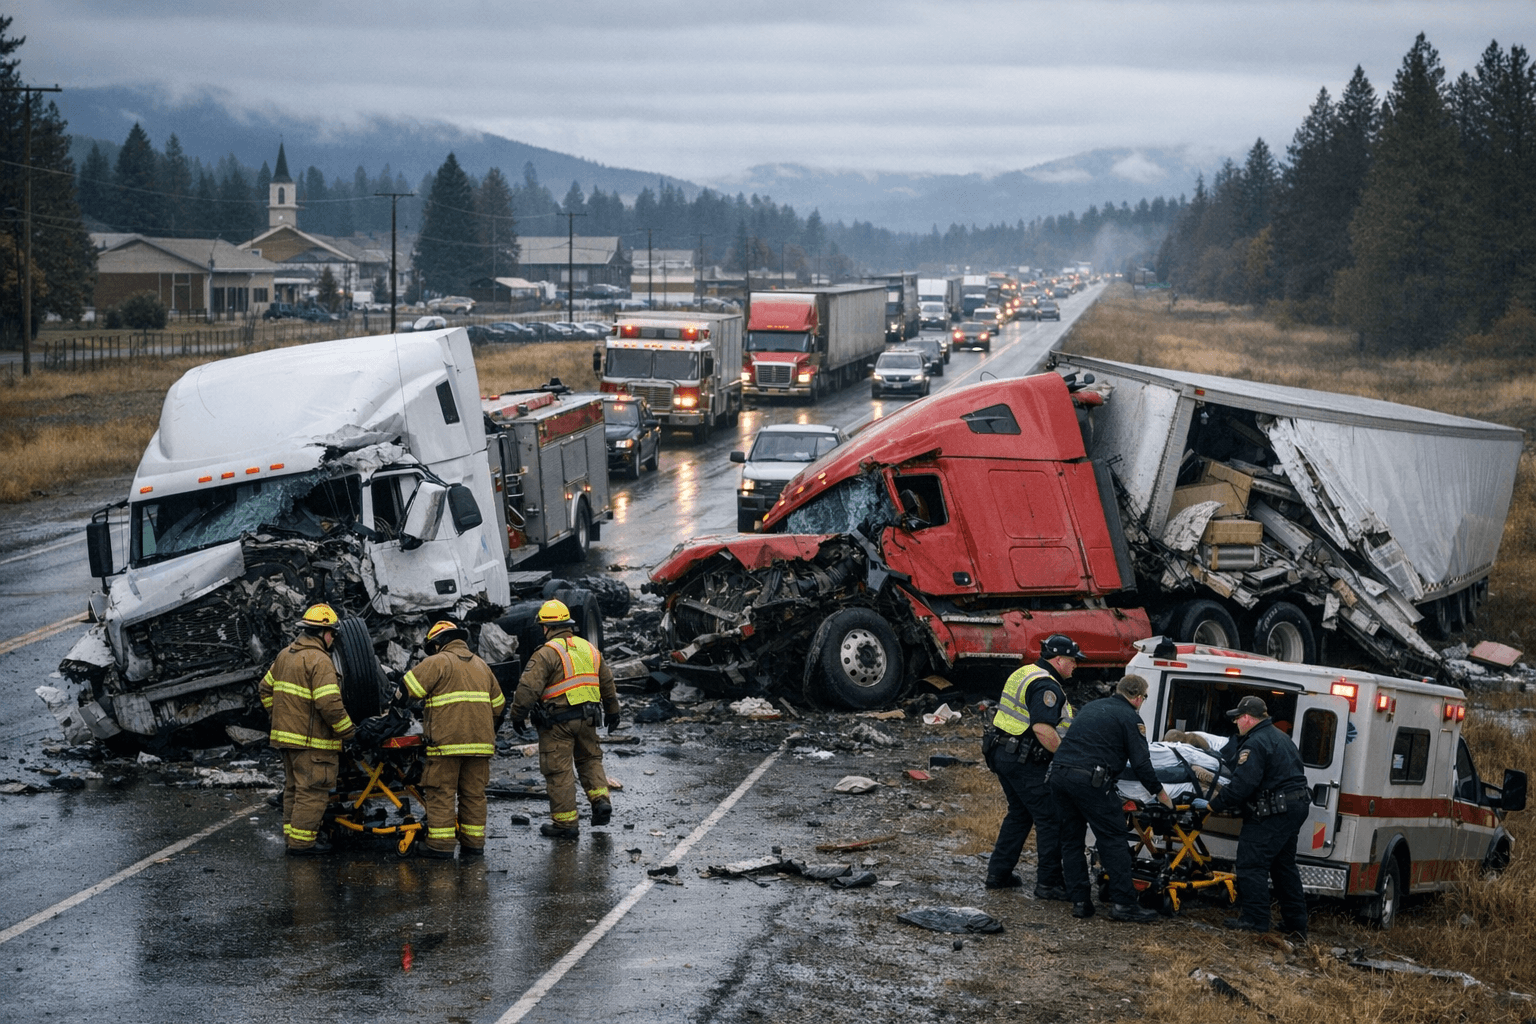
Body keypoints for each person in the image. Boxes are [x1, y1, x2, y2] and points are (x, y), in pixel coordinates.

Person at [1050, 674, 1172, 922]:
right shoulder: (1130, 717)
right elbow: (1141, 763)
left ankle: (1080, 902)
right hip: (1090, 782)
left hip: (1058, 776)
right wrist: (1161, 794)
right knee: (1113, 838)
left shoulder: (1091, 707)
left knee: (1071, 841)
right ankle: (1124, 905)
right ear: (1138, 698)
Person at [1192, 696, 1310, 940]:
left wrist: (1213, 805)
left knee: (1251, 864)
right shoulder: (1282, 738)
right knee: (1283, 867)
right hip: (1295, 808)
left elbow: (1242, 785)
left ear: (1247, 718)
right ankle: (1296, 925)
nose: (1236, 723)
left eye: (1237, 718)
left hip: (1273, 812)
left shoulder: (1254, 743)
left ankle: (1255, 921)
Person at [510, 600, 621, 839]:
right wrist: (613, 711)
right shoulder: (590, 649)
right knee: (590, 760)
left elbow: (528, 688)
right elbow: (607, 682)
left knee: (558, 771)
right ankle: (600, 800)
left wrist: (517, 715)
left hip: (557, 722)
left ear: (546, 628)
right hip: (589, 718)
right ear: (568, 625)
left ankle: (566, 824)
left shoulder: (546, 653)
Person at [982, 634, 1081, 898]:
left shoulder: (1026, 671)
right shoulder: (1046, 686)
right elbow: (1041, 728)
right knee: (1051, 818)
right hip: (1022, 760)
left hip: (1002, 753)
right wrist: (1065, 757)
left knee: (1020, 814)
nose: (1075, 666)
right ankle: (1049, 884)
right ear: (1059, 660)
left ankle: (998, 874)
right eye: (1072, 661)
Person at [402, 620, 506, 859]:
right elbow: (499, 706)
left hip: (445, 745)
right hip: (480, 746)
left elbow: (406, 691)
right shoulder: (482, 666)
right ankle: (473, 844)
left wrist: (395, 707)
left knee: (441, 792)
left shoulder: (437, 662)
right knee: (474, 795)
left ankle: (440, 845)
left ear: (438, 644)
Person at [259, 603, 355, 856]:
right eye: (333, 633)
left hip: (287, 741)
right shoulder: (319, 660)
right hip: (313, 743)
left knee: (294, 790)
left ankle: (293, 839)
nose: (333, 639)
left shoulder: (285, 655)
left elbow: (265, 689)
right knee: (312, 792)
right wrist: (348, 732)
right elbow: (329, 704)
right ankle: (303, 845)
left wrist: (278, 717)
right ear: (324, 632)